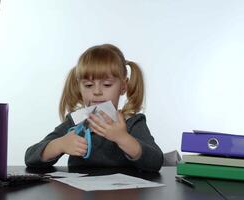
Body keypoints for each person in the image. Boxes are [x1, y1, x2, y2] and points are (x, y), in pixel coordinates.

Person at [25, 44, 163, 172]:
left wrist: (123, 138)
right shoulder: (76, 122)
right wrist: (59, 145)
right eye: (89, 85)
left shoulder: (132, 122)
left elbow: (156, 162)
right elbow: (30, 157)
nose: (97, 92)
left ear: (123, 86)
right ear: (79, 87)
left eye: (107, 85)